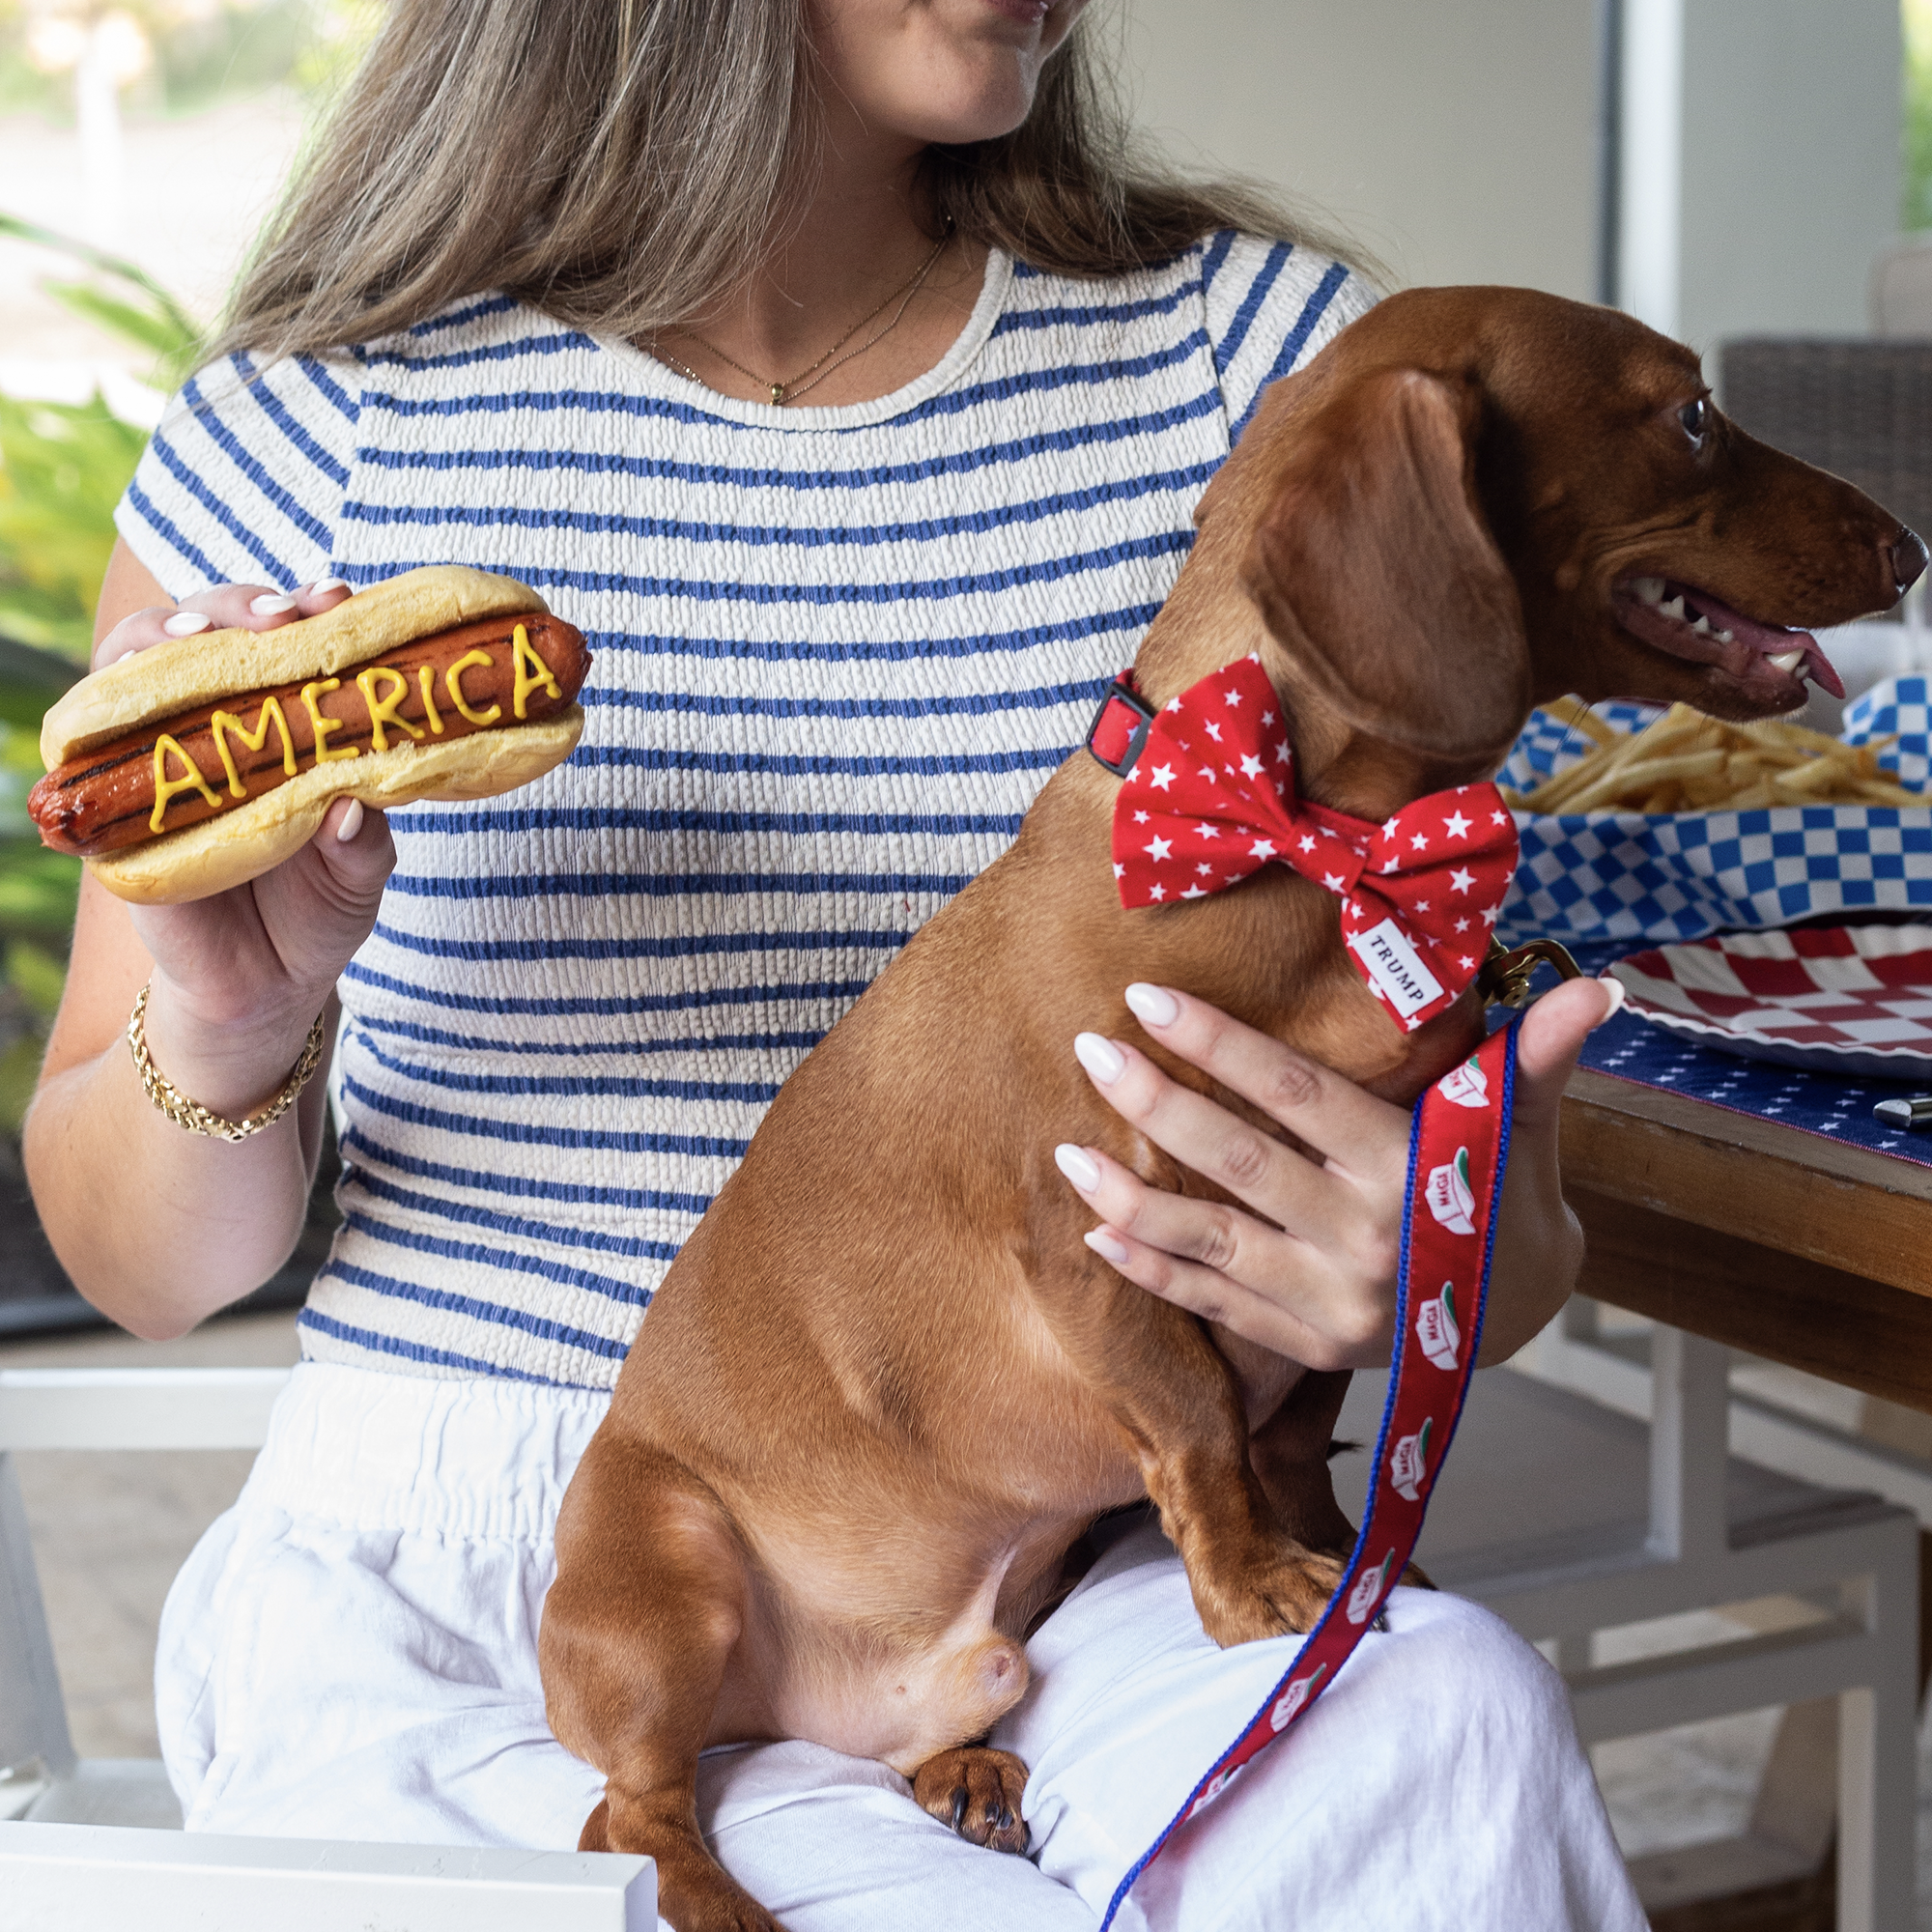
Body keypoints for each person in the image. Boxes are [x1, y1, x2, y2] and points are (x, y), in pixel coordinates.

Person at [24, 2, 1645, 1926]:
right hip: (489, 1570)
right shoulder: (314, 428)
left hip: (1079, 1541)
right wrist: (232, 1006)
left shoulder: (1271, 380)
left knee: (1448, 1739)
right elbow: (138, 1266)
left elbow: (1501, 1160)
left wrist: (1427, 1254)